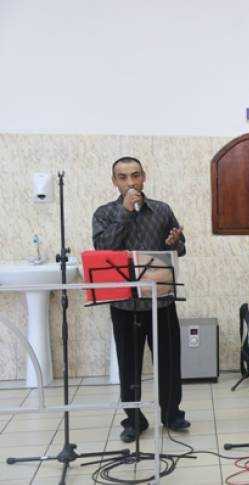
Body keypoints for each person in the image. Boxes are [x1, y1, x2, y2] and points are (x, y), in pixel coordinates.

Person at [92, 156, 190, 443]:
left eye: (135, 175)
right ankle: (134, 419)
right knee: (129, 365)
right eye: (123, 177)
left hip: (161, 301)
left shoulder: (162, 210)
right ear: (115, 181)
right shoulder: (104, 213)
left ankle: (171, 413)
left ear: (144, 177)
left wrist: (175, 243)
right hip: (125, 305)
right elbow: (103, 248)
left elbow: (180, 248)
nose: (131, 182)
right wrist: (124, 212)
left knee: (169, 362)